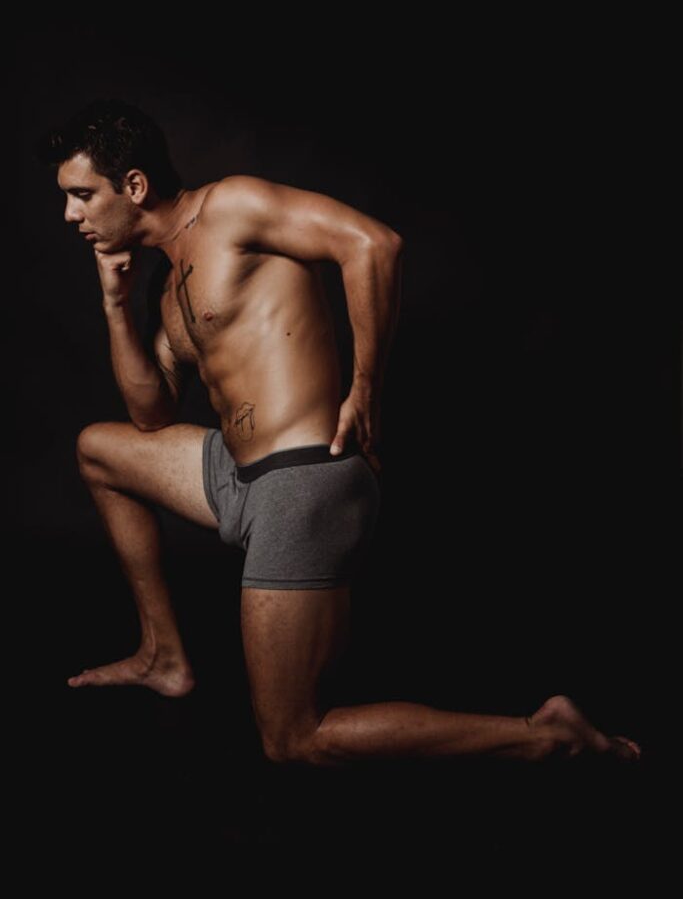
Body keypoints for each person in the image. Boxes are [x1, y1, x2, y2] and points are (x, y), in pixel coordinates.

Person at [36, 99, 642, 766]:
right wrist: (114, 308)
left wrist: (363, 389)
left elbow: (372, 244)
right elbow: (150, 418)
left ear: (135, 186)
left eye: (81, 195)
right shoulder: (160, 281)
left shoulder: (231, 207)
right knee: (101, 447)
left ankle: (547, 736)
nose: (71, 215)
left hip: (304, 479)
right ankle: (163, 654)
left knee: (293, 738)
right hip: (240, 480)